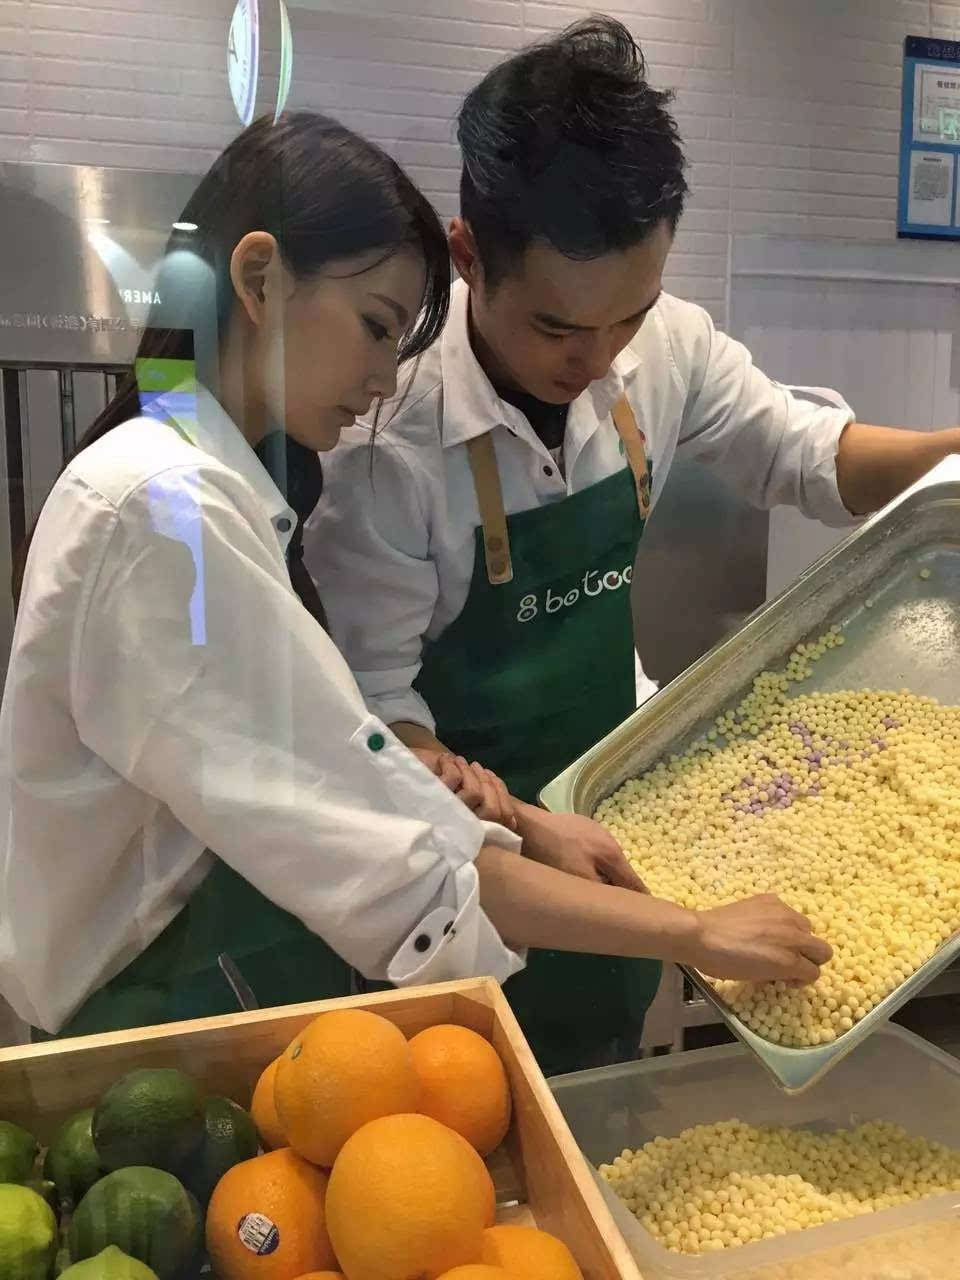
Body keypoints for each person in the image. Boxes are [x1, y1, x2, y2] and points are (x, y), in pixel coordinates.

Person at [0, 111, 831, 1041]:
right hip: (146, 1018)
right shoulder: (163, 512)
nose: (387, 380)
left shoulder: (205, 475)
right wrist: (695, 932)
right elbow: (372, 844)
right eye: (376, 327)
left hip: (219, 984)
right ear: (259, 278)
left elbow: (335, 756)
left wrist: (524, 822)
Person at [305, 20, 960, 1073]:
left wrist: (950, 456)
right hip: (456, 870)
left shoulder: (668, 348)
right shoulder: (387, 438)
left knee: (610, 1087)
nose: (601, 358)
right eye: (558, 329)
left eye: (629, 317)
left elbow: (811, 457)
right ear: (469, 257)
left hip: (613, 821)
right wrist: (507, 815)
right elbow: (378, 718)